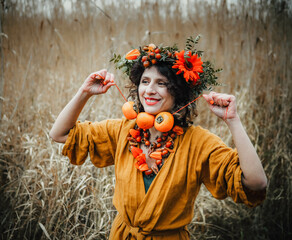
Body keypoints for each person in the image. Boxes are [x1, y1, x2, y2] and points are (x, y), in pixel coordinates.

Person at [49, 38, 267, 239]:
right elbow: (59, 134)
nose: (149, 91)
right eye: (145, 81)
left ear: (179, 92)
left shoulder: (197, 143)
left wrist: (233, 121)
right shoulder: (122, 131)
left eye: (161, 83)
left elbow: (256, 183)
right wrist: (84, 92)